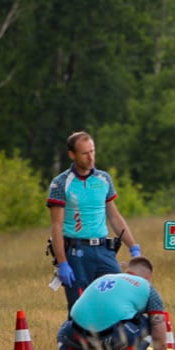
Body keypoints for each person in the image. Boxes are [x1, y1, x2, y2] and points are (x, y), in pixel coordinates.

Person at [47, 131, 140, 314]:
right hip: (77, 252)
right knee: (81, 307)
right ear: (72, 155)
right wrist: (62, 262)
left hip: (104, 249)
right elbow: (56, 226)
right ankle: (78, 342)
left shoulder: (103, 179)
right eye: (85, 153)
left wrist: (133, 247)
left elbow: (114, 216)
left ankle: (113, 341)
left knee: (117, 298)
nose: (91, 158)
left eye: (93, 151)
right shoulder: (61, 183)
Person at [58, 256, 168, 350]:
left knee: (63, 334)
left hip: (76, 334)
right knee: (148, 325)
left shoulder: (104, 278)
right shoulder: (147, 287)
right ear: (147, 278)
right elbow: (160, 341)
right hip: (114, 335)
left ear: (128, 272)